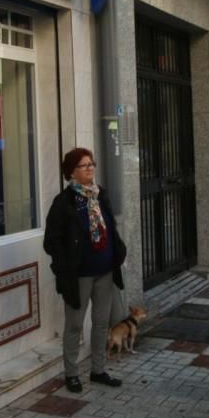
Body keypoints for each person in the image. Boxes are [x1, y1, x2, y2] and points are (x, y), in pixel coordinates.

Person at [43, 147, 128, 393]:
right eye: (83, 165)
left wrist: (118, 251)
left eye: (91, 163)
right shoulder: (63, 202)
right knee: (74, 326)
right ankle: (71, 374)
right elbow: (51, 241)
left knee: (101, 323)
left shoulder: (101, 195)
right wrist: (65, 265)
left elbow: (111, 226)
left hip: (105, 271)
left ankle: (98, 370)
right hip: (79, 276)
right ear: (71, 172)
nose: (90, 168)